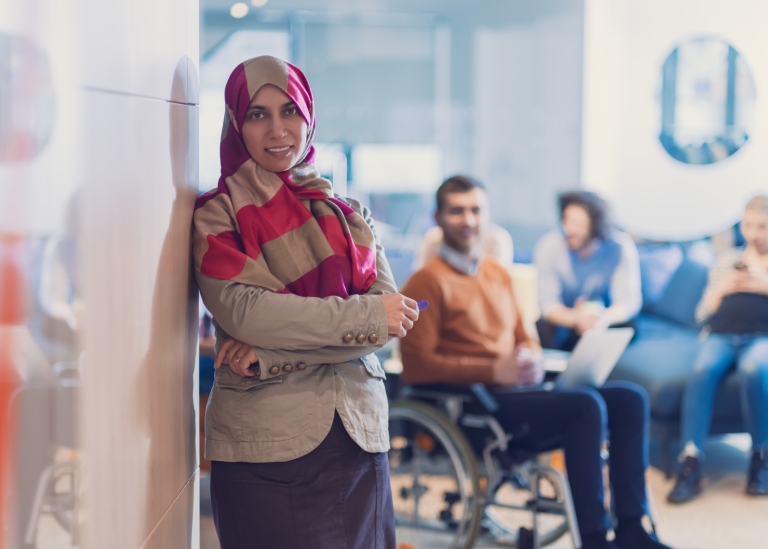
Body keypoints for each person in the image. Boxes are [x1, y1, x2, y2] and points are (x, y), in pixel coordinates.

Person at [192, 55, 419, 549]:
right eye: (257, 114)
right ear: (236, 123)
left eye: (289, 110)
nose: (278, 129)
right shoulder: (217, 214)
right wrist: (364, 319)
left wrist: (273, 353)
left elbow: (388, 319)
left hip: (361, 435)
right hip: (268, 445)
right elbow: (249, 313)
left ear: (309, 115)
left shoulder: (349, 212)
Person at [400, 175, 676, 549]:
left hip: (522, 391)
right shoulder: (424, 283)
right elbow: (417, 366)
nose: (468, 220)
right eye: (457, 211)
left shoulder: (497, 272)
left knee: (630, 399)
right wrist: (492, 370)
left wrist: (529, 353)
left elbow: (523, 331)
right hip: (478, 407)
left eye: (476, 210)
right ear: (438, 217)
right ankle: (594, 539)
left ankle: (631, 529)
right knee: (585, 405)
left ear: (487, 216)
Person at [668, 194, 768, 503]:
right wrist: (723, 289)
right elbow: (702, 314)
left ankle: (760, 459)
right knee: (702, 369)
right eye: (749, 225)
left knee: (756, 369)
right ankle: (690, 461)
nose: (754, 234)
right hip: (720, 335)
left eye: (762, 227)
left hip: (761, 338)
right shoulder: (727, 262)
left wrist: (762, 285)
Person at [534, 190, 641, 351]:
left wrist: (602, 319)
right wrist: (576, 318)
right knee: (541, 329)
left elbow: (628, 301)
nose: (568, 229)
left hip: (601, 316)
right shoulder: (548, 247)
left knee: (629, 328)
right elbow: (548, 305)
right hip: (565, 318)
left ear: (596, 226)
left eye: (577, 224)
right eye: (566, 220)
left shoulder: (620, 247)